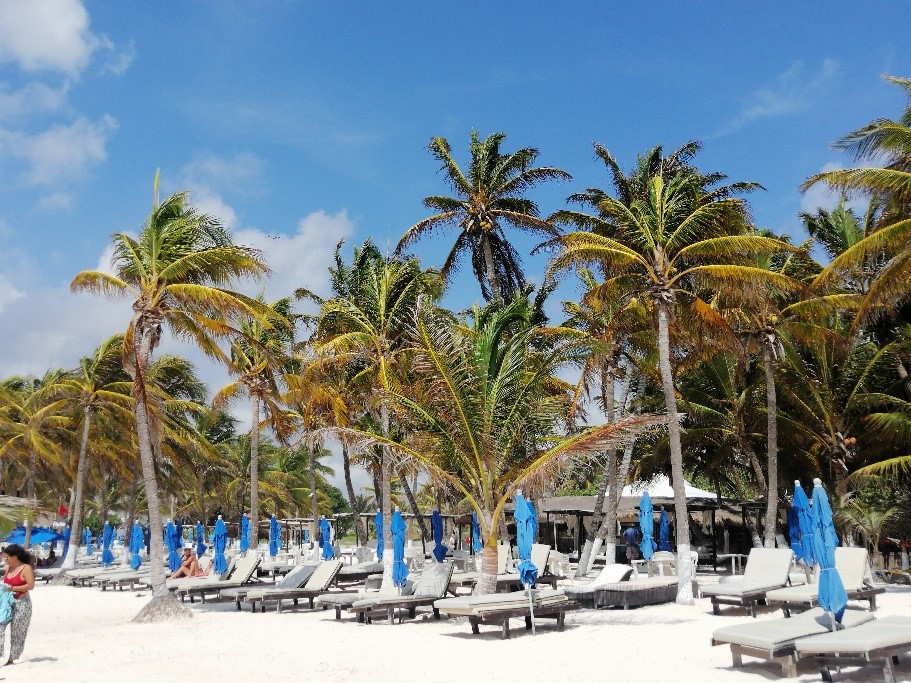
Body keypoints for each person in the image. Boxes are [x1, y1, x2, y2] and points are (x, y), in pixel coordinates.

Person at [0, 544, 34, 665]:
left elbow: (30, 586)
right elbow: (4, 583)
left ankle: (12, 658)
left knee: (17, 632)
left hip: (22, 604)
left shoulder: (26, 568)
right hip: (7, 604)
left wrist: (13, 588)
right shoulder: (9, 568)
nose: (5, 560)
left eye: (7, 558)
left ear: (15, 557)